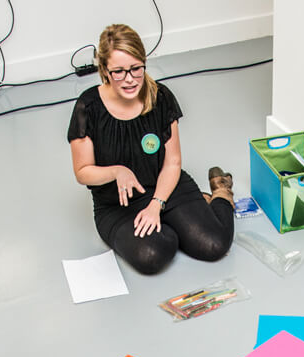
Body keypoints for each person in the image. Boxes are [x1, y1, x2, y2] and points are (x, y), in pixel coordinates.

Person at [68, 24, 234, 275]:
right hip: (118, 204)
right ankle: (192, 210)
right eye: (119, 72)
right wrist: (117, 172)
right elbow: (82, 172)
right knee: (152, 255)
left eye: (136, 68)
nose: (129, 79)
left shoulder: (160, 97)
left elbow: (172, 163)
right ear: (104, 70)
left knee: (214, 245)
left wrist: (157, 204)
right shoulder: (88, 107)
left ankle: (221, 192)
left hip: (166, 186)